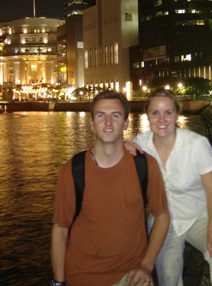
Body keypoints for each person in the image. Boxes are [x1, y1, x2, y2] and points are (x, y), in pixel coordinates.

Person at [51, 90, 170, 286]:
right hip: (81, 276)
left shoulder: (145, 166)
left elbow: (162, 215)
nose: (108, 123)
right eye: (101, 115)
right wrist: (58, 282)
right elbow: (60, 229)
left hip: (130, 276)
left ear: (125, 123)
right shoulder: (72, 171)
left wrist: (146, 266)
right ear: (91, 124)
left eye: (115, 116)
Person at [130, 88, 212, 286]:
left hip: (200, 215)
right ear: (147, 115)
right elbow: (109, 152)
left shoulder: (196, 144)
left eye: (168, 112)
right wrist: (124, 145)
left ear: (176, 114)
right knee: (168, 277)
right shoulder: (140, 145)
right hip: (164, 221)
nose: (161, 119)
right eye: (155, 113)